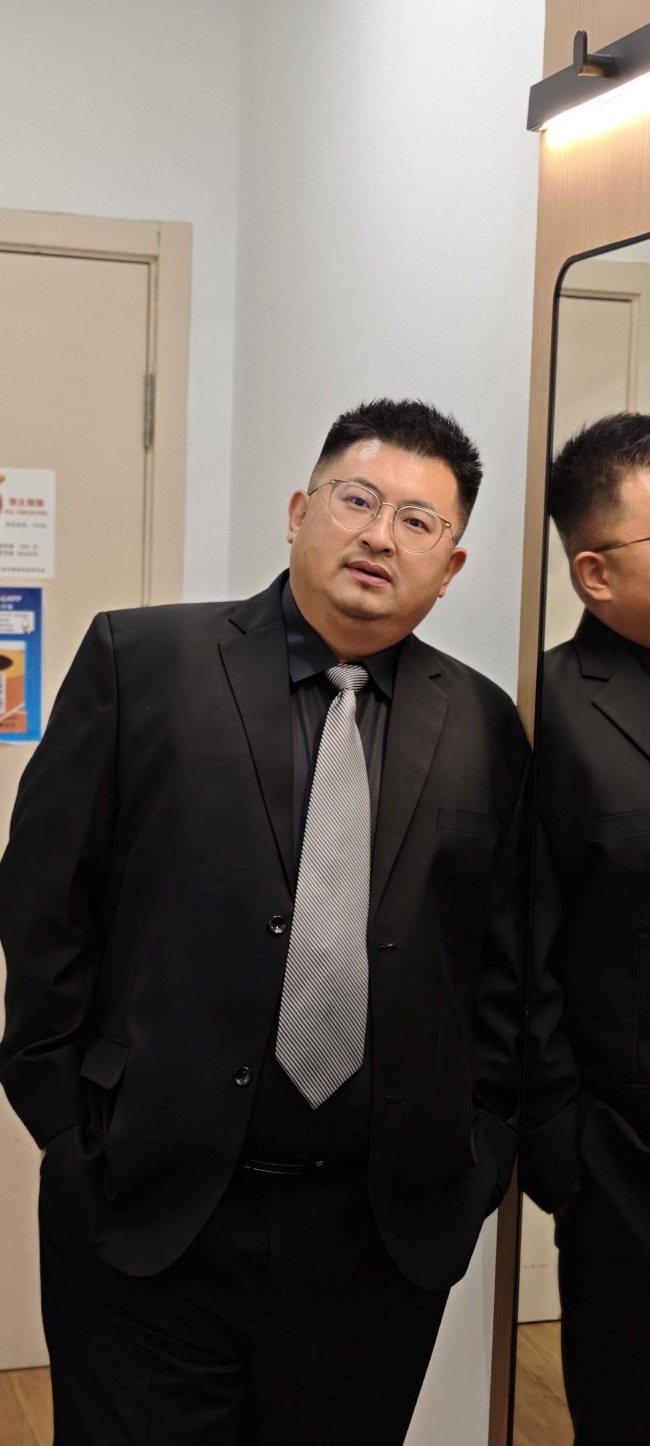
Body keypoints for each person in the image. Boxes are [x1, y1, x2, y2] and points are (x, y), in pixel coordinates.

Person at [0, 397, 528, 1446]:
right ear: (298, 511)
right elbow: (46, 899)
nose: (380, 536)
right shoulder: (142, 662)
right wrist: (67, 1127)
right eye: (357, 500)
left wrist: (481, 1147)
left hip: (376, 1238)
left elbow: (501, 958)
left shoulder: (482, 721)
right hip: (148, 1206)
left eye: (418, 522)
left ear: (451, 567)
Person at [523, 412, 650, 1446]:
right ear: (594, 572)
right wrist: (562, 1148)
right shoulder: (543, 709)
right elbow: (517, 946)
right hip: (623, 1157)